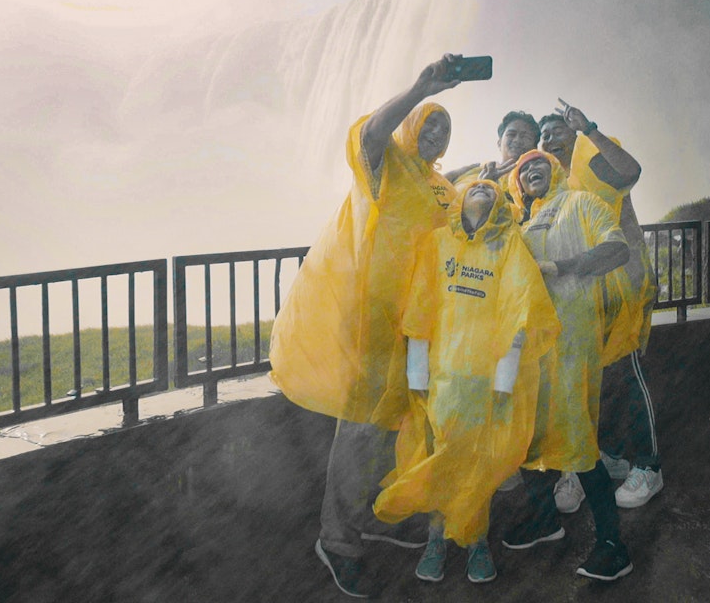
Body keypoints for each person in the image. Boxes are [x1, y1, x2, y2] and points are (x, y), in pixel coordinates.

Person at [268, 54, 465, 599]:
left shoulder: (440, 186)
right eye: (430, 121)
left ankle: (370, 518)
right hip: (373, 321)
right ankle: (337, 539)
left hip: (419, 326)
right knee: (358, 428)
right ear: (411, 127)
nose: (438, 132)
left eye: (445, 126)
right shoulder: (386, 161)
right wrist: (420, 85)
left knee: (394, 423)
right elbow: (373, 130)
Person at [372, 179, 559, 585]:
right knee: (440, 458)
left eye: (491, 192)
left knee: (477, 461)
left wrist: (506, 379)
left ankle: (476, 542)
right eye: (475, 188)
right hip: (442, 377)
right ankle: (436, 539)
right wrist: (417, 374)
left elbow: (520, 315)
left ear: (499, 206)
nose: (483, 193)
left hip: (484, 378)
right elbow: (420, 308)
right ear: (460, 198)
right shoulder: (437, 242)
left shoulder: (508, 246)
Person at [501, 150, 634, 582]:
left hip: (573, 343)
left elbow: (617, 249)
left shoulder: (580, 203)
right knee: (529, 434)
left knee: (578, 439)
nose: (530, 169)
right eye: (522, 168)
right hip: (529, 350)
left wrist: (563, 267)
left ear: (555, 169)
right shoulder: (518, 226)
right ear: (516, 183)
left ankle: (613, 544)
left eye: (539, 162)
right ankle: (546, 521)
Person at [538, 105, 664, 511]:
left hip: (619, 287)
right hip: (580, 298)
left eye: (558, 131)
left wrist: (589, 128)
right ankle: (602, 457)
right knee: (587, 382)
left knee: (625, 375)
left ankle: (649, 466)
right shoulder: (552, 187)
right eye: (544, 136)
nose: (550, 140)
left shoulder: (591, 162)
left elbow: (630, 172)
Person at [444, 110, 540, 188]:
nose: (517, 140)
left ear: (535, 147)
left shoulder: (539, 179)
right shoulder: (472, 173)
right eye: (511, 134)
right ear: (499, 143)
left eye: (525, 136)